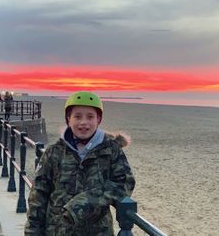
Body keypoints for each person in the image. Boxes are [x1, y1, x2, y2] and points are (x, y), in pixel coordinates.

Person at [24, 91, 135, 236]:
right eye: (77, 116)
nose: (83, 122)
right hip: (57, 230)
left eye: (90, 117)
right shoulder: (54, 152)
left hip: (97, 231)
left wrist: (88, 201)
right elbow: (38, 195)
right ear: (68, 119)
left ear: (98, 119)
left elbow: (125, 183)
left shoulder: (111, 150)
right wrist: (33, 231)